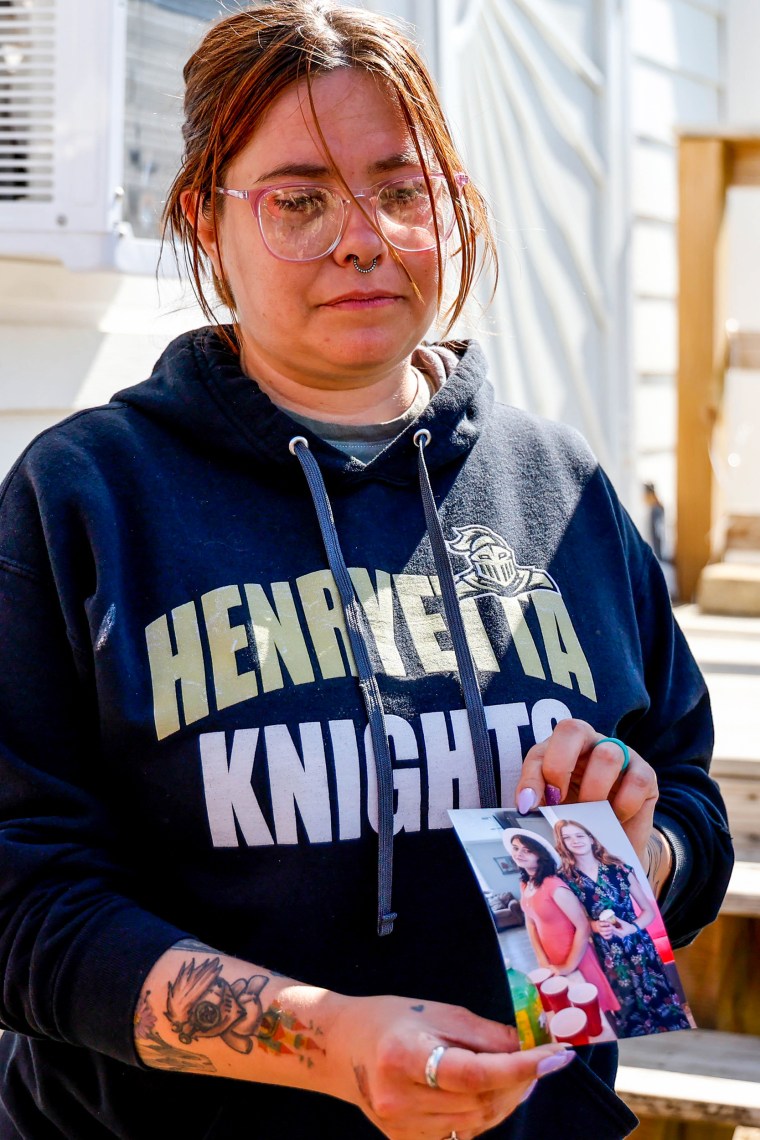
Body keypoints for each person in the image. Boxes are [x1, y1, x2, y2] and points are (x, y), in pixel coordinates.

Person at [0, 2, 733, 1138]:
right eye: (297, 200)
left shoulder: (560, 487)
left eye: (401, 191)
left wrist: (639, 850)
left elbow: (683, 802)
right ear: (205, 220)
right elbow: (23, 902)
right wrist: (323, 1041)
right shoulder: (86, 499)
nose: (363, 237)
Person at [554, 821, 692, 1037]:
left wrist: (632, 927)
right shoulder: (565, 879)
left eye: (579, 835)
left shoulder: (619, 868)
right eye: (568, 838)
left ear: (591, 838)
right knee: (626, 1002)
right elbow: (575, 920)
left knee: (658, 996)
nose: (575, 841)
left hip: (639, 944)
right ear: (563, 844)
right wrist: (594, 926)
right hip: (608, 951)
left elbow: (649, 912)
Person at [506, 831, 618, 1014]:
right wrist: (542, 959)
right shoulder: (525, 885)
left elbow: (582, 926)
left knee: (595, 1009)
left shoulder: (553, 885)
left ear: (540, 856)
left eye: (527, 850)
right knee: (571, 1008)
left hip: (576, 955)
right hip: (551, 957)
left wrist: (568, 965)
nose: (519, 853)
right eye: (516, 848)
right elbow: (531, 924)